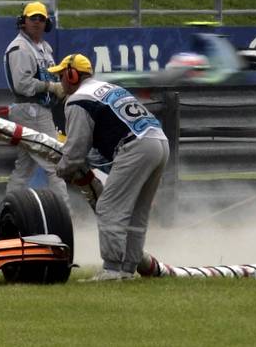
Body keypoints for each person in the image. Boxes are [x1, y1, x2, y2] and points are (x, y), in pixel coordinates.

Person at [51, 53, 170, 282]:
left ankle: (112, 269)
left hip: (135, 146)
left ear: (72, 74)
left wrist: (62, 170)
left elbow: (75, 150)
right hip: (159, 142)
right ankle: (128, 268)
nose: (61, 81)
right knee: (137, 212)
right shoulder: (107, 87)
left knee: (109, 208)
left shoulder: (77, 100)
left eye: (62, 75)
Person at [2, 1, 69, 206]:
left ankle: (8, 207)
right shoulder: (20, 48)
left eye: (41, 19)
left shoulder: (43, 47)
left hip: (36, 110)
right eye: (33, 18)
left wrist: (59, 88)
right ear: (23, 22)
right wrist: (51, 87)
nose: (37, 22)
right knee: (55, 162)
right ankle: (65, 211)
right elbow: (23, 85)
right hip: (30, 109)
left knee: (24, 167)